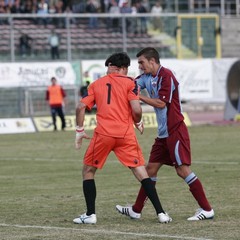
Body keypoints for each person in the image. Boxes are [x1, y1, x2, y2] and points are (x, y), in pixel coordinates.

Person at [116, 47, 215, 221]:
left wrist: (138, 97)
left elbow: (161, 104)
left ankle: (207, 209)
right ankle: (136, 210)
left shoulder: (166, 76)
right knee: (150, 170)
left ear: (152, 61)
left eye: (142, 62)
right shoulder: (146, 77)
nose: (139, 66)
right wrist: (116, 81)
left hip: (175, 130)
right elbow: (131, 85)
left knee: (182, 170)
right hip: (163, 134)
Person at [73, 52, 172, 224]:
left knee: (88, 171)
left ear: (111, 67)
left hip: (103, 134)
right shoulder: (131, 83)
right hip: (125, 135)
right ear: (124, 68)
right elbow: (137, 110)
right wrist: (138, 122)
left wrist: (80, 130)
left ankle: (90, 215)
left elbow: (81, 106)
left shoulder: (97, 84)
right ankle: (161, 213)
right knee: (141, 172)